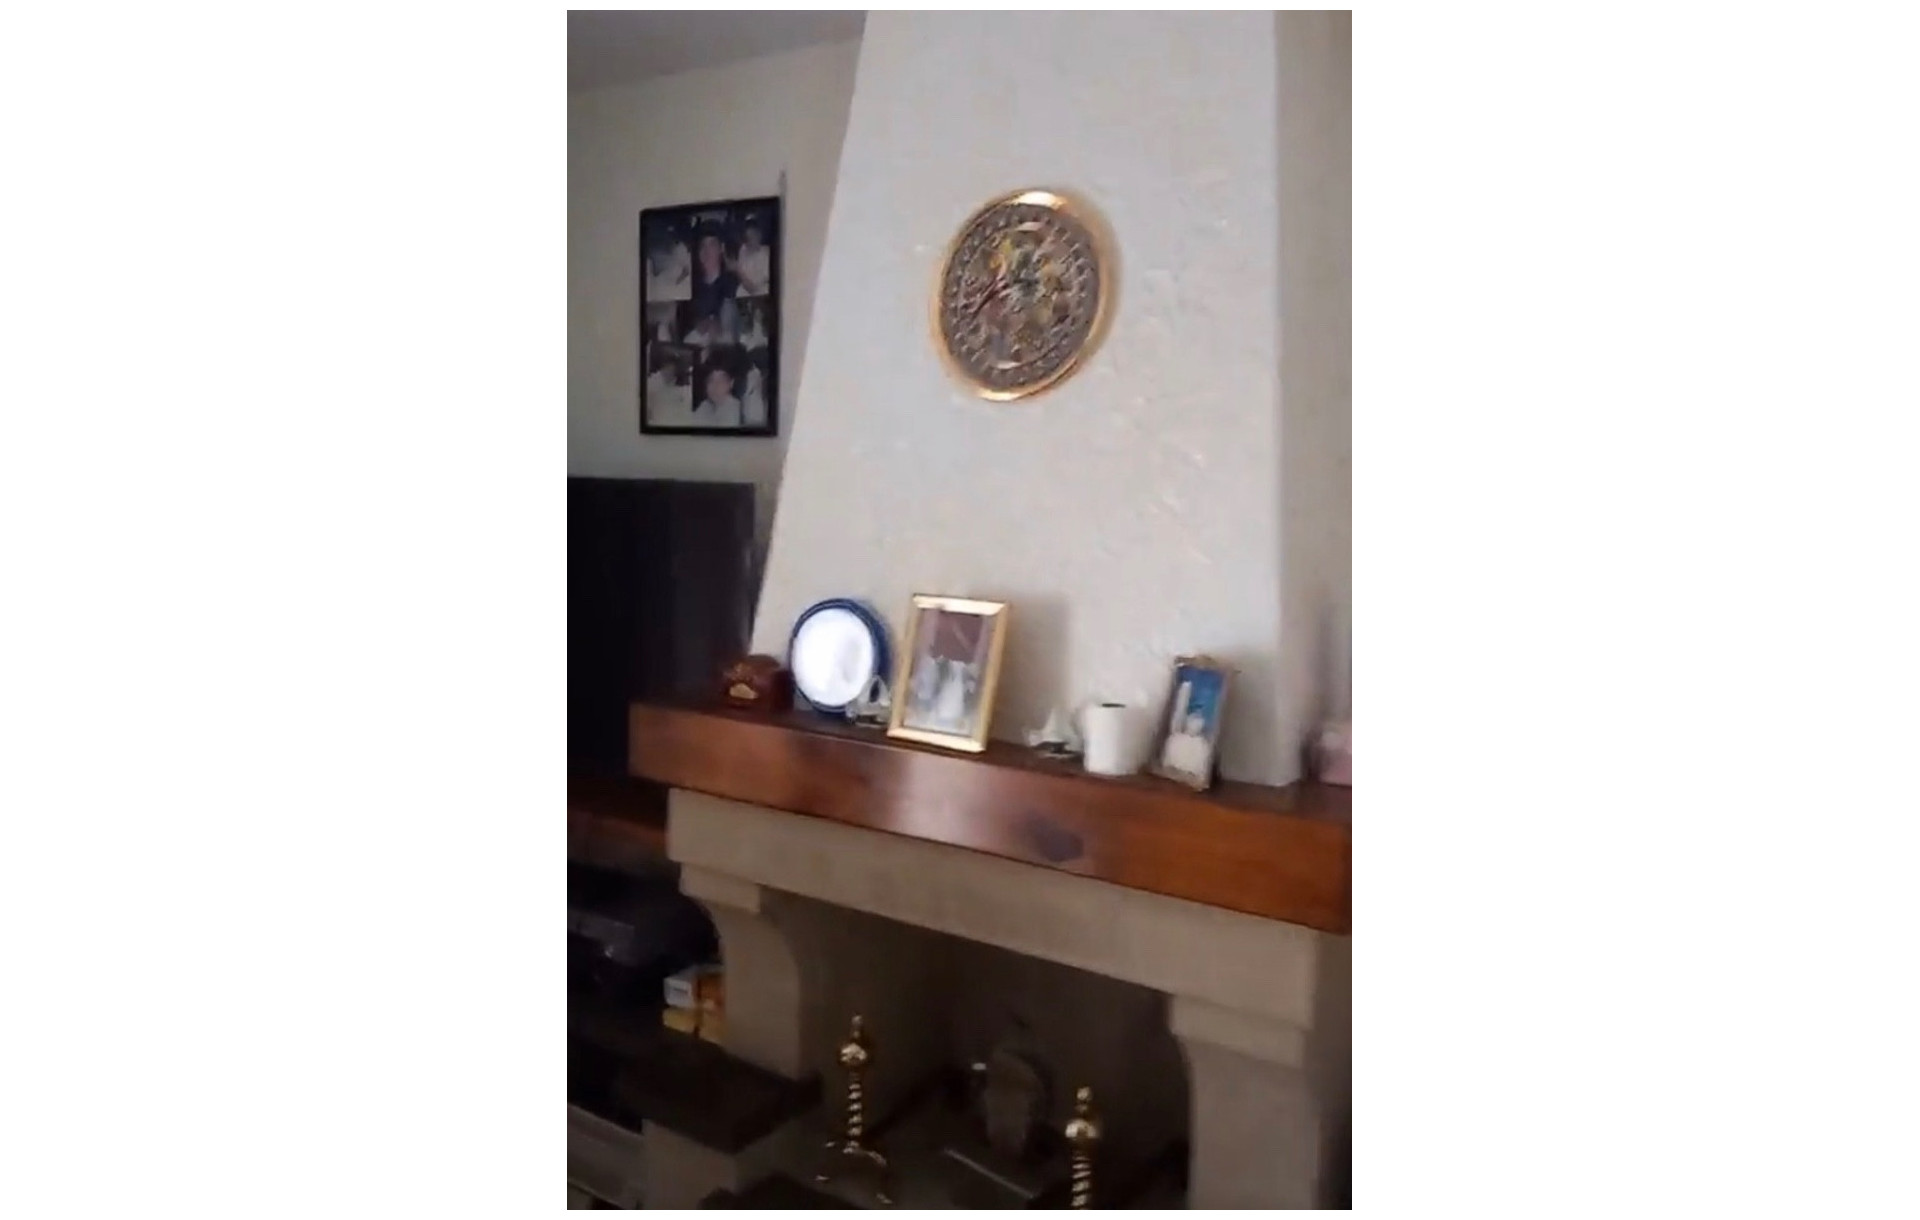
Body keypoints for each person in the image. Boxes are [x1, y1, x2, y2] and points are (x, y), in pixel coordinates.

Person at [690, 230, 740, 318]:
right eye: (703, 246)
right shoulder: (692, 287)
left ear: (721, 249)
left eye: (712, 245)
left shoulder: (733, 284)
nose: (707, 251)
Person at [731, 221, 771, 296]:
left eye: (753, 236)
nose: (750, 241)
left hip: (760, 294)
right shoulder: (743, 249)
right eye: (747, 238)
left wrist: (737, 270)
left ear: (759, 235)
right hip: (741, 292)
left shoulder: (766, 254)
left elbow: (752, 289)